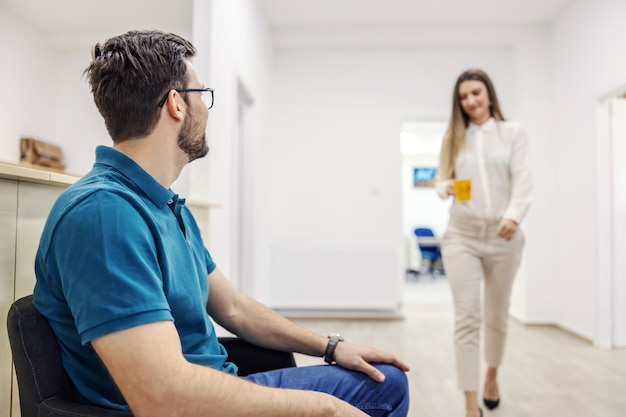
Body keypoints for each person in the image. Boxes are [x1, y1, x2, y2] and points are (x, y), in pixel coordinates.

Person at [33, 30, 410, 417]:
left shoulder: (164, 204)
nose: (207, 109)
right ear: (177, 104)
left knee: (383, 377)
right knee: (388, 388)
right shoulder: (104, 216)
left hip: (214, 387)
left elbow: (234, 308)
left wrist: (331, 347)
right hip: (186, 406)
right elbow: (161, 397)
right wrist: (324, 408)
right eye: (202, 94)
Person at [436, 69, 531, 417]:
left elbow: (523, 181)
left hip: (504, 235)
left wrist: (514, 215)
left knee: (497, 315)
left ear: (489, 94)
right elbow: (440, 179)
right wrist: (445, 187)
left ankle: (492, 375)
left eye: (476, 93)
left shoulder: (512, 133)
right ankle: (469, 402)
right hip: (461, 233)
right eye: (463, 97)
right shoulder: (453, 137)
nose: (470, 101)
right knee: (467, 317)